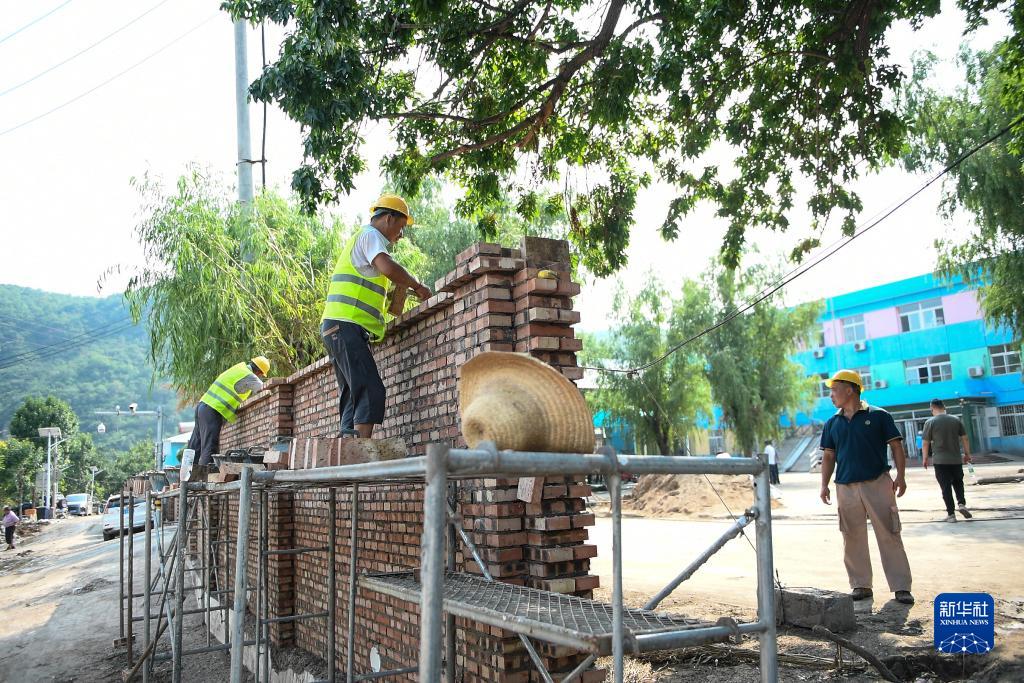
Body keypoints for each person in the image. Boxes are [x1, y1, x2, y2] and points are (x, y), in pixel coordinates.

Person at [321, 194, 431, 438]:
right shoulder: (371, 235)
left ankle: (346, 450)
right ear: (389, 218)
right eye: (401, 227)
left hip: (335, 326)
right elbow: (388, 267)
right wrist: (417, 286)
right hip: (346, 325)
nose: (401, 235)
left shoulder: (362, 240)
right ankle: (359, 453)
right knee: (371, 391)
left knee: (353, 394)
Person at [819, 369, 914, 605]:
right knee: (852, 537)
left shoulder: (879, 416)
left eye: (834, 390)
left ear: (849, 389)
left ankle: (901, 587)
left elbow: (896, 447)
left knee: (889, 533)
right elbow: (829, 456)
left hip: (878, 483)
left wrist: (901, 476)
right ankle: (860, 585)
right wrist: (824, 485)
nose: (830, 395)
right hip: (845, 487)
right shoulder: (832, 423)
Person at [187, 356, 271, 468]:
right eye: (261, 374)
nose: (260, 376)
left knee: (195, 445)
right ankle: (208, 474)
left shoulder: (239, 368)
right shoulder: (249, 376)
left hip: (203, 406)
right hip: (213, 410)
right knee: (210, 445)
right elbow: (265, 388)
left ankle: (186, 474)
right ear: (259, 371)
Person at [922, 399, 973, 522]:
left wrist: (925, 458)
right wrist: (967, 454)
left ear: (932, 408)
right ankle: (961, 504)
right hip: (956, 459)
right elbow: (965, 438)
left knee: (946, 487)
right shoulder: (956, 420)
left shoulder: (930, 422)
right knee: (958, 482)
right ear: (944, 407)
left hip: (940, 461)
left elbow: (925, 442)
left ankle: (951, 514)